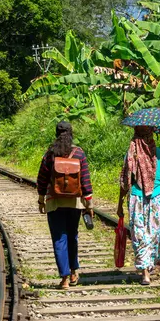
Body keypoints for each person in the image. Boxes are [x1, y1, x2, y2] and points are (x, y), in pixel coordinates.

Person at [117, 126, 160, 285]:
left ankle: (145, 272)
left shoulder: (132, 154)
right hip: (156, 198)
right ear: (151, 134)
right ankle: (149, 265)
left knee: (139, 233)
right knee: (154, 231)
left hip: (136, 198)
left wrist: (119, 204)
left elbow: (125, 182)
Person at [37, 121, 93, 289]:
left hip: (54, 202)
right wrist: (89, 205)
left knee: (59, 239)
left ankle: (64, 279)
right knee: (72, 236)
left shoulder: (50, 154)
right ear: (71, 133)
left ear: (56, 133)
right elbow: (85, 180)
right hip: (74, 202)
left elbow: (42, 179)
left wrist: (41, 200)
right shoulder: (79, 153)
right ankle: (74, 271)